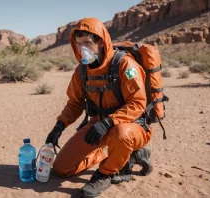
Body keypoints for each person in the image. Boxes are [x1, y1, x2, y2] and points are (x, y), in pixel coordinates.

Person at [45, 17, 153, 198]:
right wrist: (59, 126)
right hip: (97, 126)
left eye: (87, 43)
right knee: (61, 168)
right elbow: (75, 102)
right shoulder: (82, 70)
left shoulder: (124, 64)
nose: (82, 48)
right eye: (79, 44)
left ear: (101, 42)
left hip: (131, 126)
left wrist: (109, 122)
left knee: (121, 134)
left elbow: (137, 103)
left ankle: (106, 174)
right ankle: (118, 155)